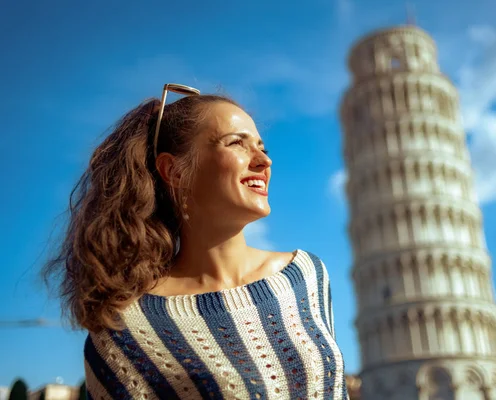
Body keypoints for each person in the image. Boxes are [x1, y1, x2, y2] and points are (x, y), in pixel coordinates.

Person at [44, 84, 348, 399]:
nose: (263, 161)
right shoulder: (124, 329)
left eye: (262, 147)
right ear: (173, 171)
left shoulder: (306, 276)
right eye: (236, 143)